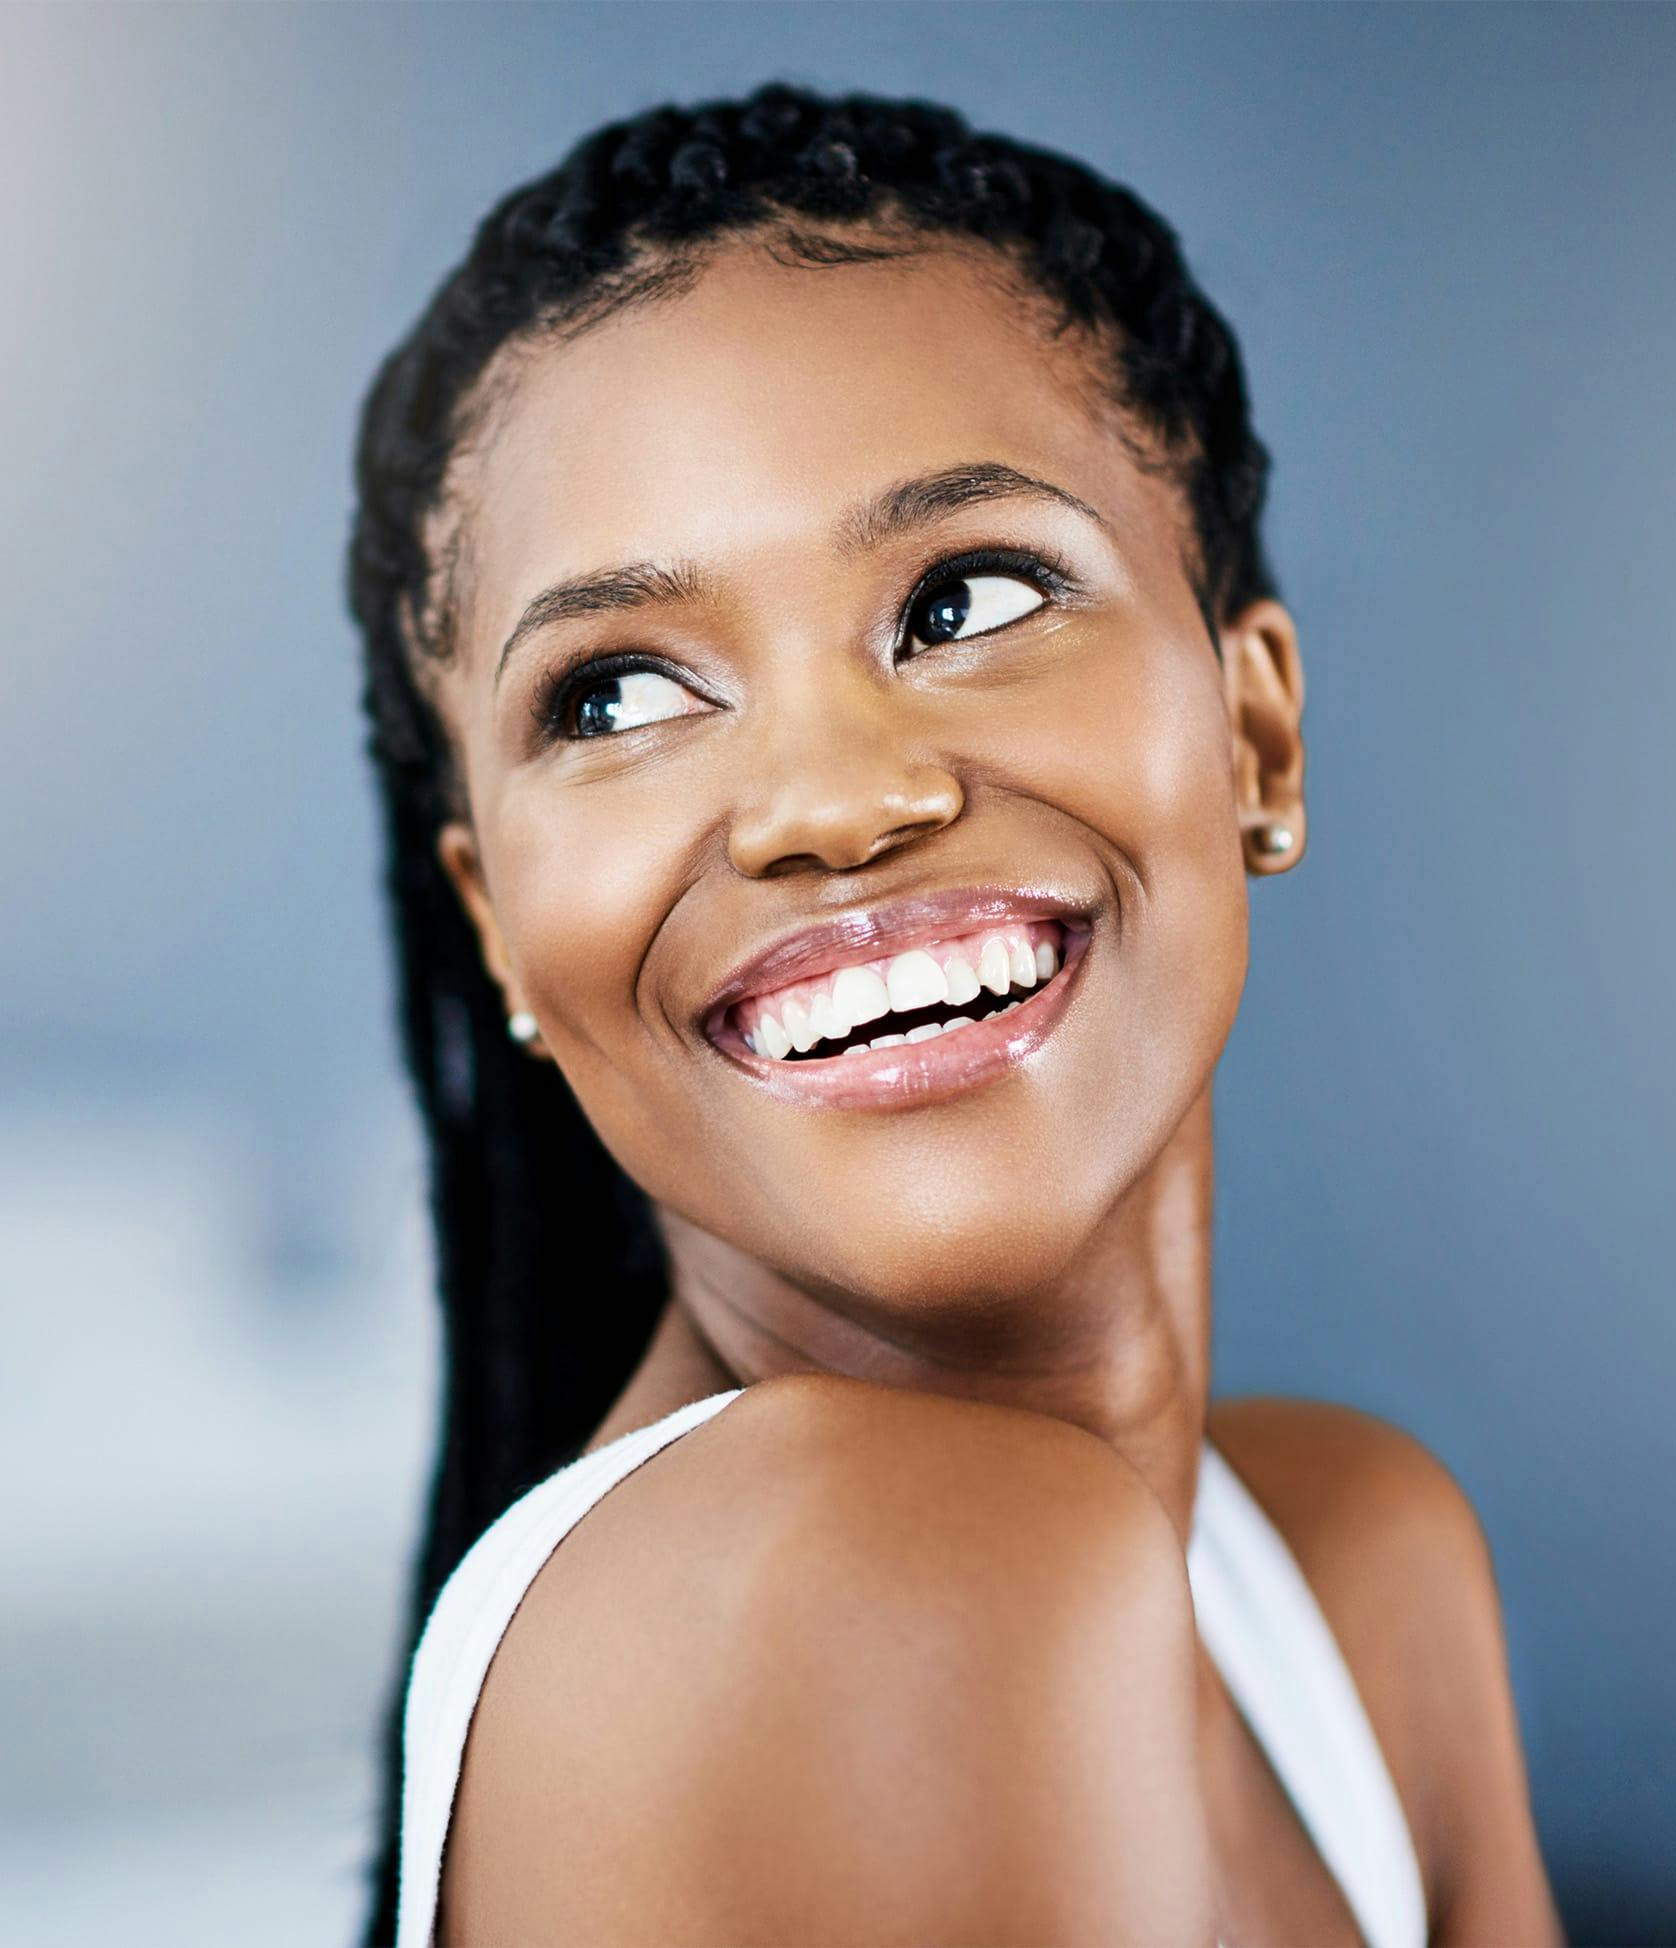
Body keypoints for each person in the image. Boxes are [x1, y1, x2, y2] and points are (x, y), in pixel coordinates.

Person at [348, 80, 1562, 1947]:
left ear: (1253, 733)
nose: (832, 802)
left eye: (966, 599)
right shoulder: (877, 1586)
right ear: (496, 925)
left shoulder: (1352, 1564)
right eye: (615, 696)